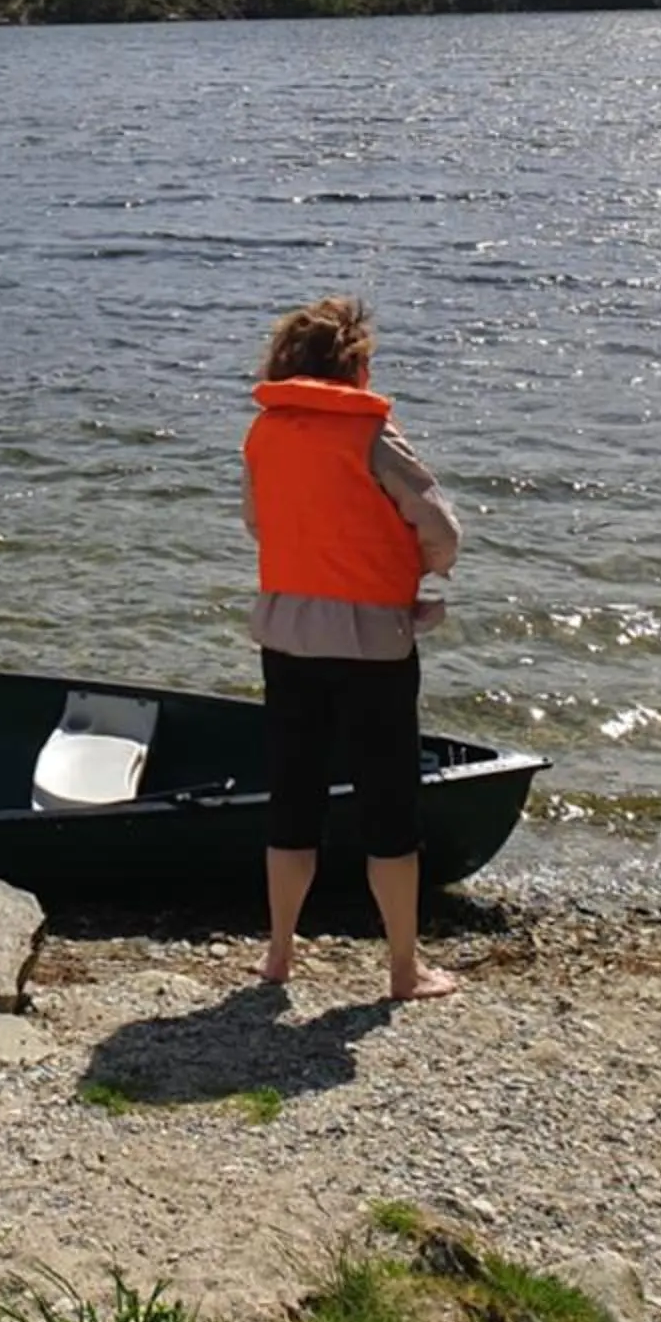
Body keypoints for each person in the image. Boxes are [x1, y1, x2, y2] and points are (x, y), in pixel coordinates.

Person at [241, 294, 462, 1003]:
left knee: (292, 797)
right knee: (388, 804)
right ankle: (403, 968)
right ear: (355, 367)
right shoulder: (372, 435)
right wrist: (416, 574)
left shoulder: (263, 433)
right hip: (373, 641)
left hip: (286, 632)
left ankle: (279, 955)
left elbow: (257, 521)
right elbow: (439, 524)